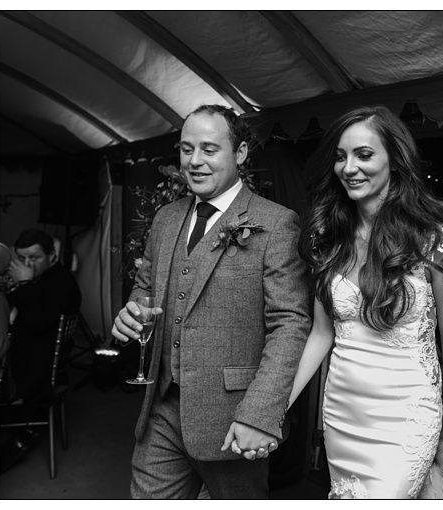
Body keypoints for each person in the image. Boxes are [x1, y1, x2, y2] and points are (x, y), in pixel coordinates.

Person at [111, 105, 312, 499]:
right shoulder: (166, 218)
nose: (195, 161)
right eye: (187, 150)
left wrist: (259, 414)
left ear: (239, 154)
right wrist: (131, 312)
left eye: (209, 149)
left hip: (233, 417)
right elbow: (144, 286)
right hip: (162, 406)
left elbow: (290, 325)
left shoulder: (275, 223)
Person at [291, 106, 443, 498]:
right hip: (343, 415)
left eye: (364, 154)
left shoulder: (434, 242)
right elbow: (322, 335)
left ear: (396, 159)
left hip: (408, 414)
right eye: (341, 156)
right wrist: (274, 406)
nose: (348, 167)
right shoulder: (328, 239)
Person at [3, 229, 81, 402]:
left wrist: (23, 284)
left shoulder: (62, 282)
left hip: (35, 368)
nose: (27, 265)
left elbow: (38, 321)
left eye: (34, 258)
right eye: (22, 259)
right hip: (22, 357)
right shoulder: (39, 279)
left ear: (52, 256)